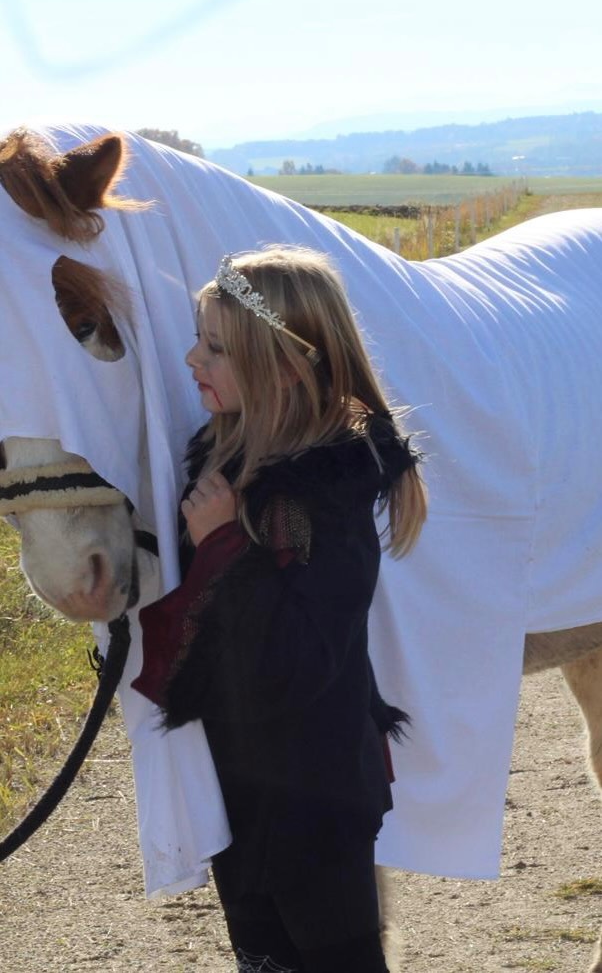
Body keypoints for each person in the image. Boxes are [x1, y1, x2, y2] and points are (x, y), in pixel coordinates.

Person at [132, 245, 427, 973]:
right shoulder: (228, 460)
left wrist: (225, 541)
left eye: (216, 347)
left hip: (314, 795)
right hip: (243, 782)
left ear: (288, 364)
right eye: (200, 337)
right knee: (263, 961)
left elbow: (300, 657)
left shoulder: (321, 488)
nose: (191, 358)